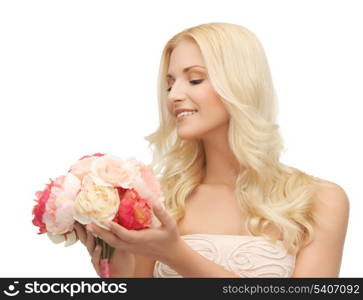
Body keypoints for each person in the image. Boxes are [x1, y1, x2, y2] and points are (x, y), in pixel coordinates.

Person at [74, 22, 349, 278]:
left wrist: (176, 255)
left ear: (240, 85)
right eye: (170, 84)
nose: (173, 95)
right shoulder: (159, 200)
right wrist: (116, 272)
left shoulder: (319, 200)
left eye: (194, 80)